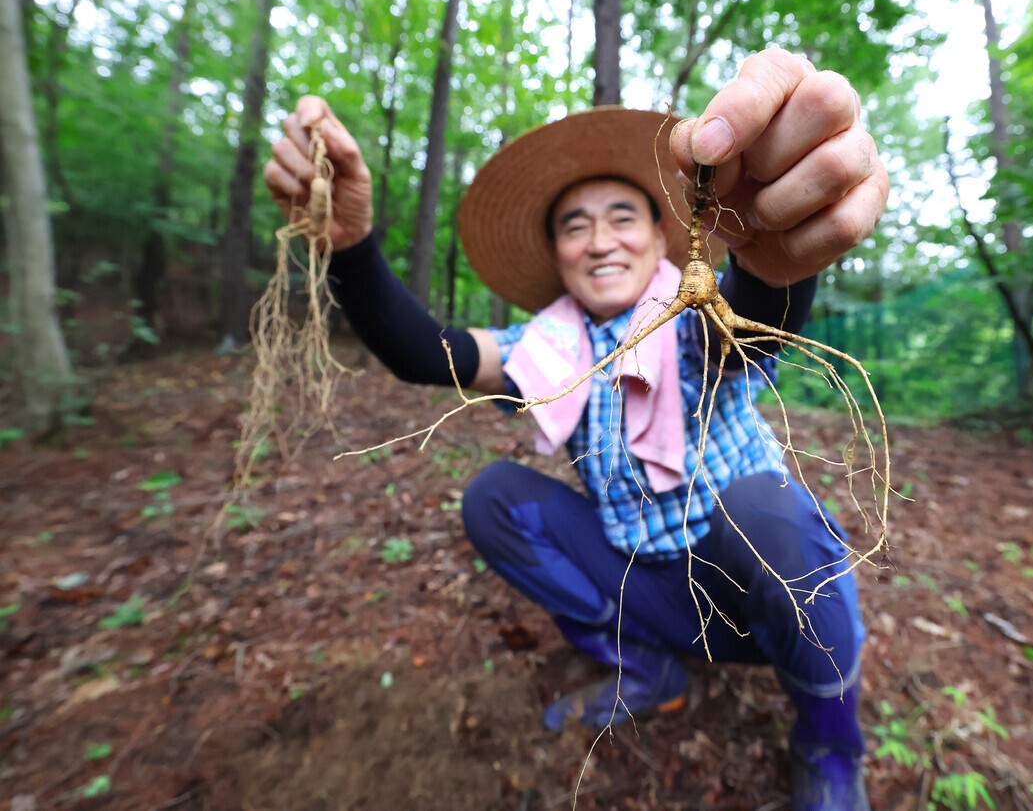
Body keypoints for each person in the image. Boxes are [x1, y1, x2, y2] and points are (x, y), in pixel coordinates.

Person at [264, 48, 889, 811]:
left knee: (764, 508)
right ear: (558, 256)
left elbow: (760, 327)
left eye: (623, 217)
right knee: (496, 496)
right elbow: (420, 352)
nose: (599, 241)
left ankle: (828, 742)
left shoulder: (695, 318)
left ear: (662, 239)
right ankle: (644, 666)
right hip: (644, 587)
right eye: (575, 227)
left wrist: (774, 247)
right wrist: (352, 243)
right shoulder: (549, 351)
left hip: (757, 595)